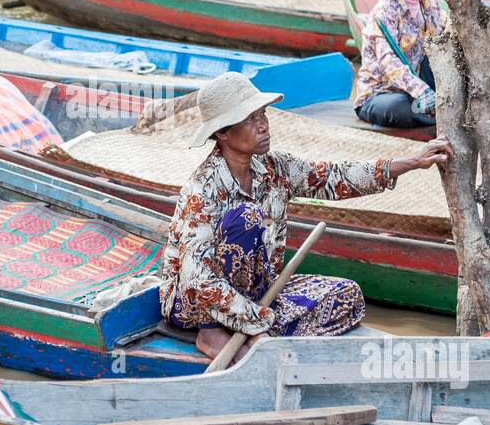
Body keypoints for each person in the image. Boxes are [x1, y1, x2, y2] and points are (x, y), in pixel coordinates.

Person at [159, 72, 451, 360]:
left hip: (255, 294)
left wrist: (411, 163)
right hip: (195, 304)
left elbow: (335, 177)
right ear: (222, 132)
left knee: (347, 295)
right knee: (246, 218)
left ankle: (253, 329)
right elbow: (198, 280)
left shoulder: (274, 168)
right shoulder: (203, 188)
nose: (263, 126)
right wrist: (258, 322)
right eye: (251, 119)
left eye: (263, 115)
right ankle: (213, 333)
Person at [354, 0, 448, 129]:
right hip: (380, 95)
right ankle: (437, 115)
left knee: (443, 49)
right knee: (402, 108)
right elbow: (388, 62)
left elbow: (446, 41)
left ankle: (436, 110)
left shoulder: (431, 6)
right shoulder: (386, 10)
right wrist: (421, 91)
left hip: (416, 91)